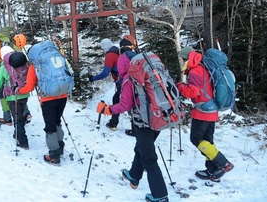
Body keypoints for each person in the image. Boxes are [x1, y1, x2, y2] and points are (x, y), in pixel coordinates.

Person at [97, 51, 169, 202]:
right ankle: (134, 175)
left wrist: (108, 109)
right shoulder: (153, 73)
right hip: (159, 117)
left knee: (149, 158)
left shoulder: (129, 79)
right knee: (142, 148)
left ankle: (160, 195)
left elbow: (125, 105)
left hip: (143, 122)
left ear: (123, 65)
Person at [177, 47, 234, 181]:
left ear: (188, 58)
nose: (183, 62)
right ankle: (213, 170)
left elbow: (194, 92)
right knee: (207, 141)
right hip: (212, 109)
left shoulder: (195, 71)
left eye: (184, 59)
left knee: (196, 139)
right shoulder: (204, 67)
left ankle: (223, 163)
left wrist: (180, 86)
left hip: (203, 111)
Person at [16, 41, 71, 165]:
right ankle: (60, 146)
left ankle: (54, 155)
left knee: (50, 126)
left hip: (48, 99)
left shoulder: (35, 66)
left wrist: (19, 90)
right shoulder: (56, 58)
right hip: (63, 95)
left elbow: (29, 87)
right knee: (57, 121)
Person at [0, 49, 31, 149]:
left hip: (12, 96)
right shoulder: (23, 62)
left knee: (17, 118)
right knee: (21, 115)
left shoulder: (4, 68)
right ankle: (17, 133)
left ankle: (23, 142)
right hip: (24, 94)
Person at [88, 39, 120, 130]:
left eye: (102, 47)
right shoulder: (118, 51)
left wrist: (93, 78)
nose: (102, 49)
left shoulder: (110, 55)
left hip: (121, 81)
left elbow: (105, 73)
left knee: (117, 100)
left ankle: (113, 124)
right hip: (128, 80)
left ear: (105, 46)